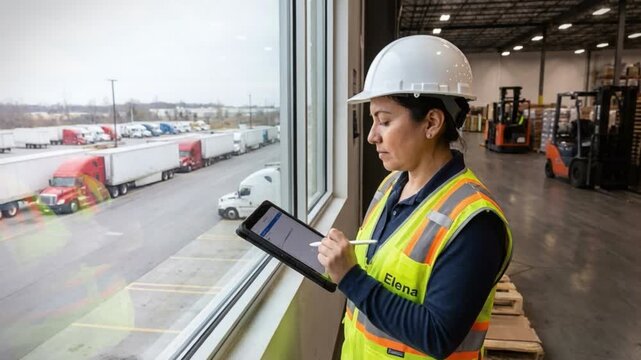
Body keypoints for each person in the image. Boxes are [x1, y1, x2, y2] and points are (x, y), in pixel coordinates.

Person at [316, 35, 513, 359]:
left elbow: (437, 335)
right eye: (372, 121)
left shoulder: (475, 224)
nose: (371, 136)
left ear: (432, 123)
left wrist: (350, 277)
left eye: (385, 121)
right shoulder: (390, 186)